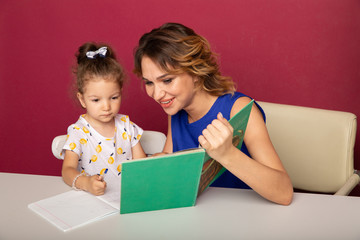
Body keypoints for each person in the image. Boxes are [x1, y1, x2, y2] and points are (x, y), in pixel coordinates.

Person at [133, 23, 293, 205]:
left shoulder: (238, 108)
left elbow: (284, 193)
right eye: (149, 83)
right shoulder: (176, 109)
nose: (157, 94)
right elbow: (172, 166)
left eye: (167, 80)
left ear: (195, 72)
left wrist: (227, 154)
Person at [62, 42, 146, 196]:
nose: (106, 106)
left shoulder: (127, 126)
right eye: (96, 100)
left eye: (114, 97)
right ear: (82, 99)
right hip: (93, 201)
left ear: (120, 92)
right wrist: (86, 183)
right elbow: (67, 171)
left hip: (128, 197)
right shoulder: (78, 132)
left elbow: (141, 165)